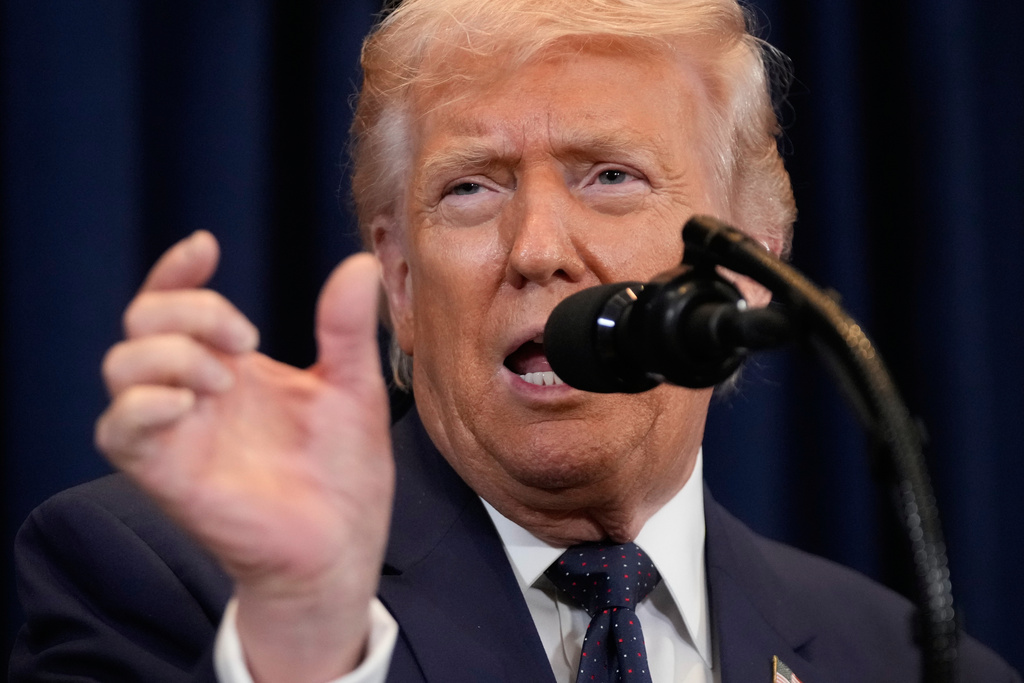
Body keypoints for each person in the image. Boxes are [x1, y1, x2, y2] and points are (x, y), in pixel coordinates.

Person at [10, 0, 1020, 681]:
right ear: (399, 282)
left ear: (749, 269)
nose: (536, 250)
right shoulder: (154, 578)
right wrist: (307, 637)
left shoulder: (905, 657)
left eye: (608, 175)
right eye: (471, 187)